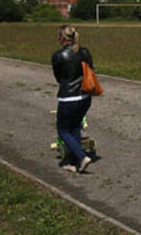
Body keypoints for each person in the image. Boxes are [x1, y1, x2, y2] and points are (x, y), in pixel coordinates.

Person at [51, 24, 94, 173]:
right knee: (75, 127)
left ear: (62, 38)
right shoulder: (85, 52)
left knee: (63, 130)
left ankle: (82, 157)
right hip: (85, 97)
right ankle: (75, 161)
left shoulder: (58, 55)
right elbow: (91, 71)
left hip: (68, 98)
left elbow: (58, 78)